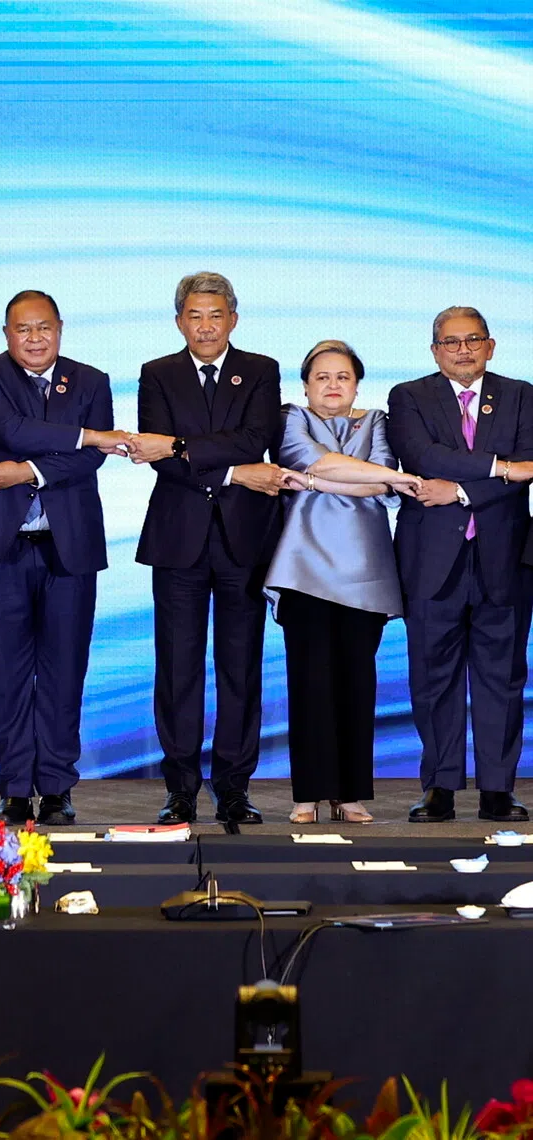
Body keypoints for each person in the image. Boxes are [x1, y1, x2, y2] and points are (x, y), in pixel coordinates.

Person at [0, 290, 130, 826]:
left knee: (63, 671)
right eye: (22, 329)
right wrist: (86, 435)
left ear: (60, 328)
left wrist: (29, 471)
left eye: (43, 327)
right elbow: (9, 431)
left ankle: (55, 787)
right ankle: (12, 787)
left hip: (67, 547)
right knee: (2, 672)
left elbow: (88, 461)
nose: (34, 338)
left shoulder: (91, 380)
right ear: (7, 334)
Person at [127, 272, 283, 825]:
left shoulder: (261, 370)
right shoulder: (157, 374)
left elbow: (253, 439)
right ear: (179, 321)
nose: (206, 326)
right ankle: (180, 789)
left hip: (244, 540)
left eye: (216, 315)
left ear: (233, 319)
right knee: (178, 669)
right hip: (178, 540)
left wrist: (186, 447)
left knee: (240, 667)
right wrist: (233, 471)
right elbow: (158, 455)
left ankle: (235, 788)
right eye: (195, 316)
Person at [264, 340, 422, 824]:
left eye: (343, 377)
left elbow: (381, 481)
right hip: (304, 567)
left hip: (365, 571)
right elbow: (312, 461)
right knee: (309, 682)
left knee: (357, 682)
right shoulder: (291, 417)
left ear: (357, 383)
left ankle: (350, 793)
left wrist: (318, 482)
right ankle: (308, 794)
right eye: (322, 377)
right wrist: (324, 478)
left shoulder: (376, 421)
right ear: (306, 384)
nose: (333, 386)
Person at [388, 306, 533, 823]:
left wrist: (465, 491)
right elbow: (424, 456)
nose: (463, 350)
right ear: (435, 351)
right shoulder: (409, 397)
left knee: (503, 677)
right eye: (451, 342)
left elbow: (530, 462)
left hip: (505, 558)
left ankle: (498, 789)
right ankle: (440, 787)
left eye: (473, 339)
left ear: (491, 345)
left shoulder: (522, 395)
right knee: (433, 677)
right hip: (431, 559)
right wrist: (500, 469)